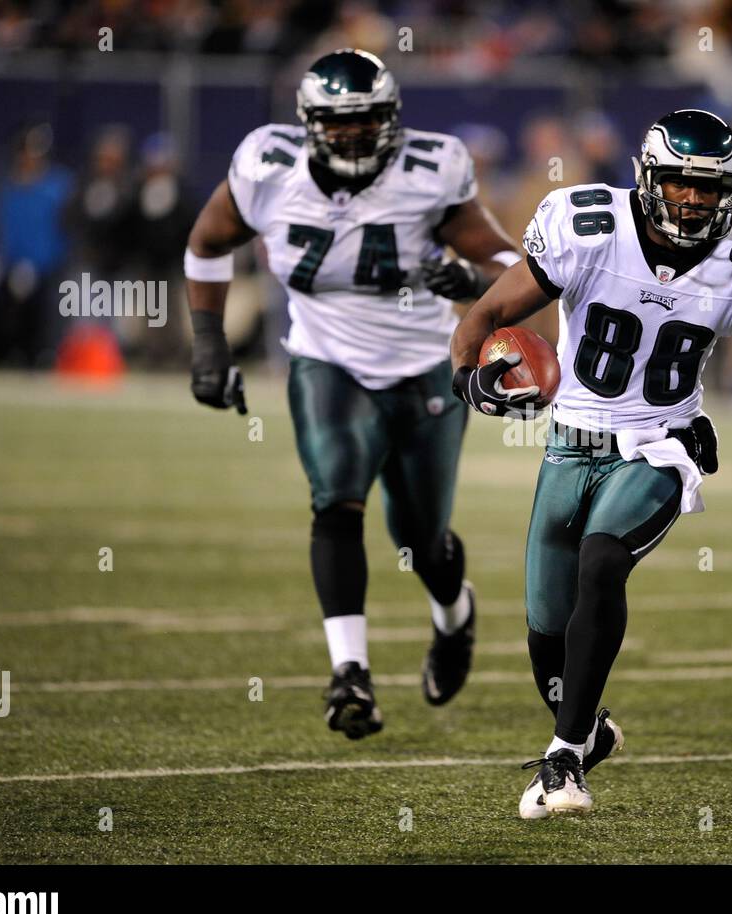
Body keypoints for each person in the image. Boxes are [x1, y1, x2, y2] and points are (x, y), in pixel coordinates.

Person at [450, 108, 732, 817]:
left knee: (603, 561)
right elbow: (484, 316)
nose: (694, 198)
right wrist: (468, 378)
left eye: (710, 187)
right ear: (648, 177)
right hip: (572, 443)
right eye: (681, 183)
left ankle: (563, 762)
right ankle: (587, 729)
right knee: (545, 633)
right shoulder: (585, 227)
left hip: (663, 443)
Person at [183, 49, 520, 738]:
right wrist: (211, 345)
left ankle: (454, 616)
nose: (353, 136)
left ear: (391, 119)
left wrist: (474, 284)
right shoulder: (266, 168)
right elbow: (208, 243)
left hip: (425, 365)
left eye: (367, 121)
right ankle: (350, 673)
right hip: (326, 360)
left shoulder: (429, 172)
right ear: (308, 124)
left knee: (420, 539)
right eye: (337, 124)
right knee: (335, 498)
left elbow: (512, 262)